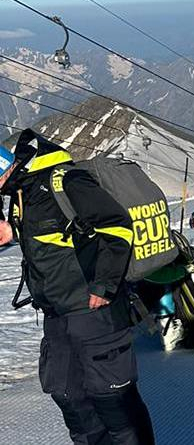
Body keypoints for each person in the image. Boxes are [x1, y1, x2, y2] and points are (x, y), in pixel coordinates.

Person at [0, 131, 155, 444]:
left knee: (113, 401)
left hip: (94, 309)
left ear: (6, 169)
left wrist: (104, 286)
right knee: (69, 397)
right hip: (56, 312)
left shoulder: (65, 181)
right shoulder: (22, 192)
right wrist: (9, 228)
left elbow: (117, 227)